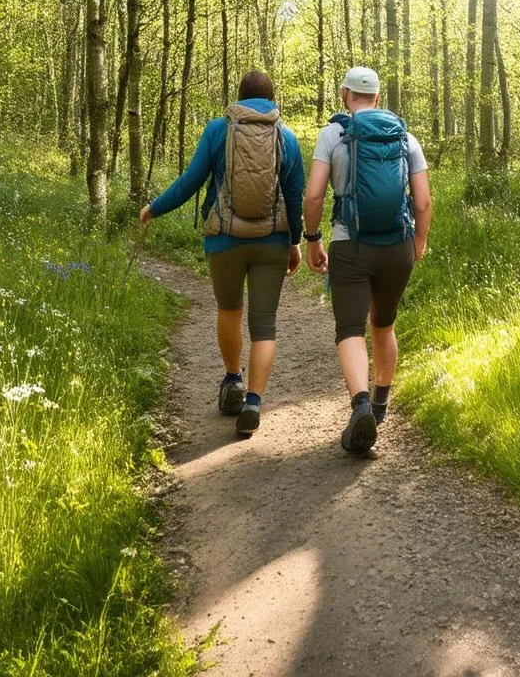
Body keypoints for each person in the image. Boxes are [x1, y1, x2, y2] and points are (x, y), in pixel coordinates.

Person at [139, 70, 304, 438]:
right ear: (272, 99)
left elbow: (190, 181)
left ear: (239, 98)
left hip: (225, 239)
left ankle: (233, 382)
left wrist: (154, 208)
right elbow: (294, 196)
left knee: (230, 310)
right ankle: (254, 402)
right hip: (272, 241)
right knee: (264, 326)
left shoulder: (218, 130)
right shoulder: (286, 136)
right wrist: (295, 243)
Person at [303, 66, 432, 454]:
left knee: (350, 330)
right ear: (377, 96)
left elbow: (313, 196)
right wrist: (419, 242)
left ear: (346, 95)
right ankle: (379, 406)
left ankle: (359, 403)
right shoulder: (404, 137)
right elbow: (423, 201)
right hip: (398, 247)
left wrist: (312, 240)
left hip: (350, 245)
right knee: (384, 324)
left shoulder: (333, 134)